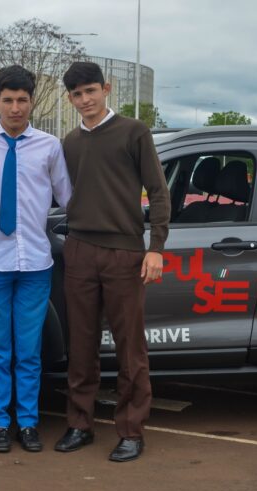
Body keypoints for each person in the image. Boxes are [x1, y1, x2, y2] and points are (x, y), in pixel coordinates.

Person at [54, 62, 171, 462]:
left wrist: (155, 246)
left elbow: (158, 191)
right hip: (80, 250)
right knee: (81, 345)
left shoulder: (134, 132)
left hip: (125, 253)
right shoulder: (68, 143)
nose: (85, 100)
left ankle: (131, 430)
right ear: (69, 99)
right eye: (77, 94)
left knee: (130, 348)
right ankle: (79, 425)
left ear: (106, 89)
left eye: (91, 91)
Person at [0, 65, 72, 453]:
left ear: (31, 101)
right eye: (8, 100)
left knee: (28, 349)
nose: (15, 108)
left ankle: (28, 422)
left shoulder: (49, 147)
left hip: (35, 263)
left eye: (22, 100)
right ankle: (0, 424)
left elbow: (67, 197)